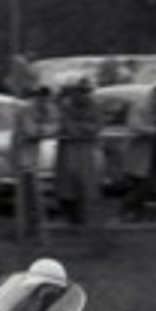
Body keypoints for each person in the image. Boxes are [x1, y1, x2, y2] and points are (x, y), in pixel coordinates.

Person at [54, 81, 103, 225]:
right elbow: (67, 126)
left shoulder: (94, 106)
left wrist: (85, 128)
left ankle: (83, 218)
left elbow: (98, 125)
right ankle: (71, 216)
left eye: (85, 92)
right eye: (80, 91)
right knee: (67, 185)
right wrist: (83, 128)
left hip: (86, 150)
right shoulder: (66, 107)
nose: (83, 95)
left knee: (85, 184)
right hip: (68, 150)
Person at [10, 87, 54, 237]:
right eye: (44, 100)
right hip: (21, 155)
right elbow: (32, 132)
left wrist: (44, 129)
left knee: (33, 195)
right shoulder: (26, 110)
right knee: (25, 196)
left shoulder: (42, 110)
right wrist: (44, 129)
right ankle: (23, 230)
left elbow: (53, 126)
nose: (46, 103)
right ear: (39, 97)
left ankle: (34, 227)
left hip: (32, 156)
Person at [122, 84, 156, 220]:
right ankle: (129, 207)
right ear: (151, 96)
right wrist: (154, 130)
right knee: (142, 183)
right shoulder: (139, 108)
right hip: (140, 153)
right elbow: (134, 125)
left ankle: (136, 212)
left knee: (153, 183)